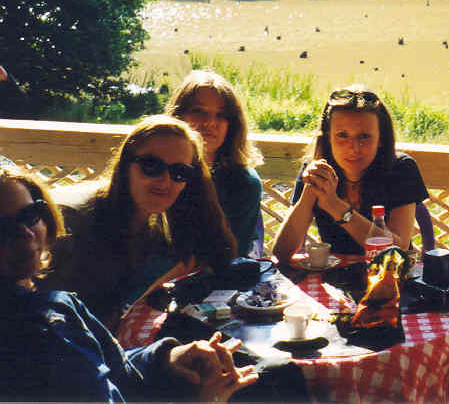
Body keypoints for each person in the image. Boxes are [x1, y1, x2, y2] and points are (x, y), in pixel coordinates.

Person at [0, 167, 257, 402]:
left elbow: (102, 363)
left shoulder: (53, 313)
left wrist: (167, 357)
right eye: (3, 227)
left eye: (30, 215)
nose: (25, 233)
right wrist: (209, 400)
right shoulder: (44, 325)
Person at [42, 115, 237, 329]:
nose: (165, 180)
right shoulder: (72, 220)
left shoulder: (156, 223)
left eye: (180, 172)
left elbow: (219, 253)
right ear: (125, 166)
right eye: (151, 165)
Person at [272, 85, 429, 262]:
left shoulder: (401, 169)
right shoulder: (319, 170)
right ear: (328, 137)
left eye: (364, 137)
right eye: (342, 135)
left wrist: (334, 205)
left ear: (381, 140)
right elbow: (281, 252)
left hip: (387, 278)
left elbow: (396, 251)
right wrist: (311, 190)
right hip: (335, 280)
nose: (353, 148)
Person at [166, 70, 265, 257]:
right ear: (179, 116)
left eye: (221, 115)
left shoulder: (244, 182)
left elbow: (232, 255)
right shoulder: (158, 172)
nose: (210, 122)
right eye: (199, 111)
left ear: (232, 124)